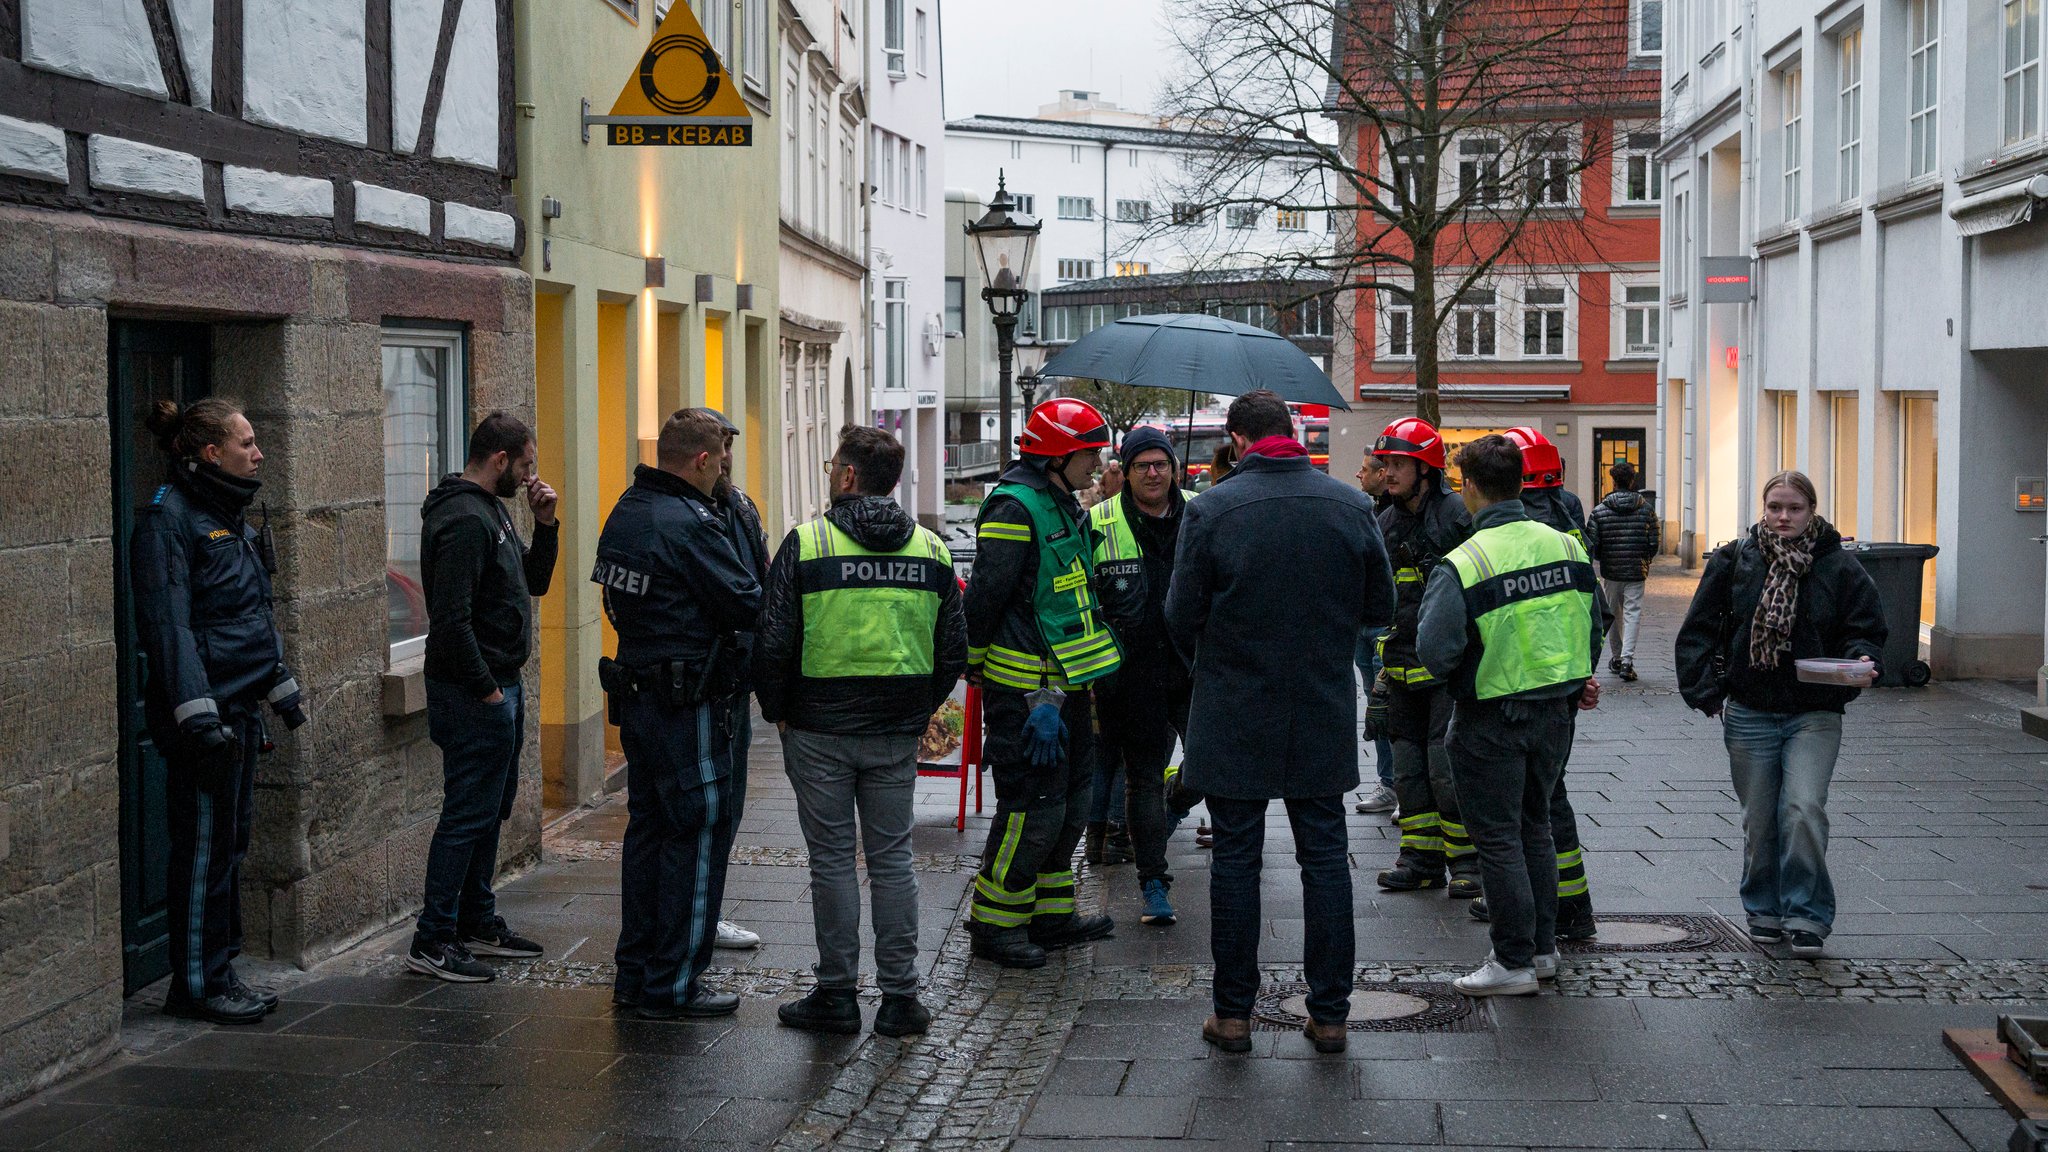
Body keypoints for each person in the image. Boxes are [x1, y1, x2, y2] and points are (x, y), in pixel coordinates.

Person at [1165, 390, 1394, 1055]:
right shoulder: (1351, 505)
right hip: (1318, 706)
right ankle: (1330, 1016)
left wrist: (1219, 659)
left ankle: (1233, 1016)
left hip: (1234, 707)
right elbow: (1379, 603)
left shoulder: (1210, 509)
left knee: (1235, 856)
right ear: (1291, 432)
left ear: (1237, 439)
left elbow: (1180, 617)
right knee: (1324, 857)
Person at [754, 425, 965, 1037]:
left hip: (818, 726)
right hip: (895, 729)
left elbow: (773, 641)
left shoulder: (808, 543)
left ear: (847, 476)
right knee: (893, 858)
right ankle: (901, 998)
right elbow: (953, 647)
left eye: (831, 466)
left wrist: (778, 710)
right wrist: (918, 708)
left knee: (832, 861)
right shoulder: (931, 549)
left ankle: (837, 995)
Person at [132, 398, 306, 1023]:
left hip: (239, 709)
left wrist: (278, 684)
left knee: (230, 847)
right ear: (212, 452)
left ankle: (221, 969)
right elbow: (169, 628)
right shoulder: (168, 520)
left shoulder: (228, 514)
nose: (258, 453)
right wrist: (199, 720)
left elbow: (252, 614)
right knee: (203, 850)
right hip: (202, 722)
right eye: (247, 442)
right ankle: (198, 984)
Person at [1416, 434, 1602, 997]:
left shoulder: (1465, 560)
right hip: (1555, 714)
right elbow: (1594, 626)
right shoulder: (1567, 546)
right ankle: (1543, 952)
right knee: (1536, 829)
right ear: (1520, 482)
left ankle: (1512, 961)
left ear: (1470, 487)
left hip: (1489, 717)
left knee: (1497, 841)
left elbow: (1434, 650)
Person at [594, 409, 763, 1018]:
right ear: (701, 459)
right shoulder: (689, 522)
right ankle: (674, 983)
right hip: (689, 702)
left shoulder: (628, 508)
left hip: (640, 698)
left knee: (648, 834)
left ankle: (634, 974)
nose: (724, 467)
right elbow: (747, 599)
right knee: (695, 834)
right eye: (721, 457)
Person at [1675, 471, 1885, 958]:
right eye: (1775, 507)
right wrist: (1705, 689)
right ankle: (1763, 907)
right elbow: (1700, 627)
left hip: (1815, 711)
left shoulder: (1838, 565)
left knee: (1803, 808)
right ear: (1763, 509)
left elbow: (1867, 628)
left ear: (1811, 510)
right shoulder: (1736, 559)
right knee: (1760, 819)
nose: (1783, 517)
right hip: (1750, 710)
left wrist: (1860, 660)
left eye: (1793, 508)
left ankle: (1807, 913)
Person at [962, 397, 1123, 968]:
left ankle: (1050, 915)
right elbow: (985, 600)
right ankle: (995, 925)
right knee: (1032, 808)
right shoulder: (1014, 507)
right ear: (1058, 455)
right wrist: (981, 666)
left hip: (1068, 686)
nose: (1099, 460)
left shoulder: (1062, 502)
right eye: (1090, 452)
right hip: (1029, 693)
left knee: (1072, 803)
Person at [411, 413, 559, 982]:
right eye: (525, 465)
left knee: (489, 811)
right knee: (466, 814)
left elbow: (533, 582)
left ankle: (475, 919)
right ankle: (433, 939)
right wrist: (489, 691)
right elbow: (450, 622)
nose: (530, 477)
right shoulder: (465, 519)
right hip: (474, 693)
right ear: (499, 459)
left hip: (499, 687)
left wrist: (543, 524)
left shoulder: (493, 510)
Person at [1468, 424, 1604, 941]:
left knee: (1528, 813)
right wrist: (1579, 674)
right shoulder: (1568, 526)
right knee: (1546, 805)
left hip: (1511, 693)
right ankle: (1568, 907)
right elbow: (1594, 616)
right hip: (1558, 692)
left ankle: (1548, 913)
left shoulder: (1508, 533)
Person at [1368, 417, 1481, 898]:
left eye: (1398, 464)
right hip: (1398, 669)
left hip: (1446, 673)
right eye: (1386, 462)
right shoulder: (1385, 520)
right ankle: (1420, 859)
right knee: (1409, 770)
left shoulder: (1456, 517)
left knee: (1446, 770)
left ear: (1426, 469)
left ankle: (1469, 864)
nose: (1387, 472)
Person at [1090, 426, 1196, 927]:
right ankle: (1153, 881)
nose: (1152, 473)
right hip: (1131, 676)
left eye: (1160, 464)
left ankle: (1183, 794)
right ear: (1125, 472)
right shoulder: (1098, 522)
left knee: (1212, 765)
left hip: (1195, 667)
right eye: (1141, 466)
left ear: (1174, 468)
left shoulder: (1202, 513)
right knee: (1142, 780)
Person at [704, 410, 770, 953]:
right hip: (702, 682)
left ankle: (709, 909)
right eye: (721, 446)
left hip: (737, 683)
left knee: (731, 802)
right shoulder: (686, 513)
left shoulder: (741, 507)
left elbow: (763, 583)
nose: (728, 456)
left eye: (730, 445)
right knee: (704, 807)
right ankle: (700, 915)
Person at [1353, 448, 1397, 815]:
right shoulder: (1365, 510)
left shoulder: (1399, 515)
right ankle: (1389, 783)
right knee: (1375, 704)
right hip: (1362, 622)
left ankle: (1400, 784)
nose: (1358, 474)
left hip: (1386, 623)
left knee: (1389, 703)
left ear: (1383, 474)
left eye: (1365, 469)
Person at [1587, 461, 1660, 682]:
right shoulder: (1647, 510)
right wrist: (1645, 558)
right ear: (1632, 481)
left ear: (1613, 481)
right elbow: (1654, 541)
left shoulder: (1599, 511)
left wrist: (1603, 559)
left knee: (1613, 613)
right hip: (1636, 570)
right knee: (1632, 613)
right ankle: (1627, 661)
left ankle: (1617, 657)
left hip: (1611, 571)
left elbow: (1593, 542)